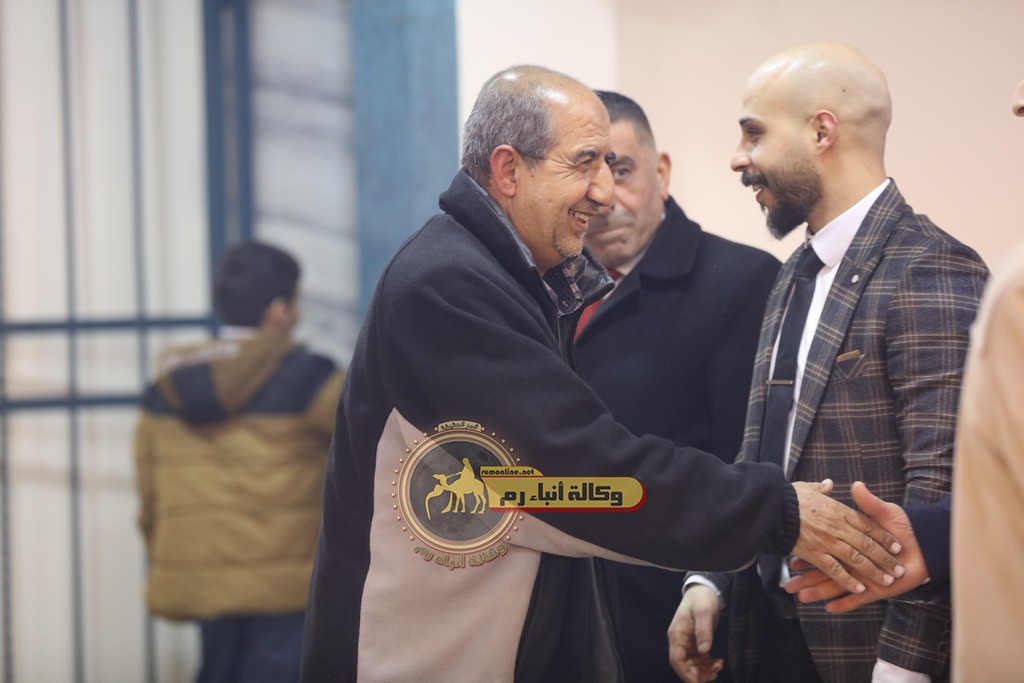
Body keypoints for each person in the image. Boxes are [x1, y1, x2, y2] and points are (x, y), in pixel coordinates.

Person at [299, 64, 905, 682]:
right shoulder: (448, 282)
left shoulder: (512, 276)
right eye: (584, 164)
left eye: (613, 168)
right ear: (508, 170)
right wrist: (774, 510)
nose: (604, 193)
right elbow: (572, 474)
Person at [669, 42, 988, 683]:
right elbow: (763, 450)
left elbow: (944, 491)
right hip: (767, 633)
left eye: (754, 133)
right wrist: (710, 580)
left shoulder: (931, 267)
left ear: (822, 131)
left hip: (868, 648)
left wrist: (904, 668)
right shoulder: (794, 271)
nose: (738, 158)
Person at [575, 90, 780, 683]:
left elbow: (745, 465)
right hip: (566, 613)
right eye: (585, 176)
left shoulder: (739, 283)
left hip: (679, 612)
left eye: (620, 170)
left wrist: (708, 586)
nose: (603, 196)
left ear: (661, 172)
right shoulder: (542, 293)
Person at [133, 241, 345, 683]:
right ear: (277, 311)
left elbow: (149, 494)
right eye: (295, 304)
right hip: (287, 588)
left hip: (204, 582)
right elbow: (369, 450)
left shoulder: (166, 388)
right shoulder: (310, 378)